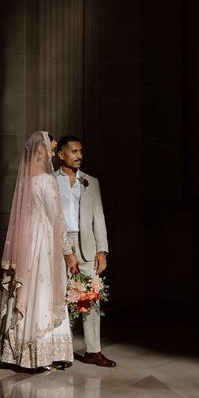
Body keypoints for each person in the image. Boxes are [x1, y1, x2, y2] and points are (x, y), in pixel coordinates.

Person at [0, 131, 74, 371]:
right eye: (50, 148)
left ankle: (18, 351)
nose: (52, 152)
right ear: (40, 150)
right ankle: (41, 352)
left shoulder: (25, 180)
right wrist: (67, 251)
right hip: (44, 243)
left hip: (27, 242)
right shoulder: (47, 180)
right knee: (45, 290)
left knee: (29, 289)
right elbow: (56, 219)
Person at [55, 136, 116, 367]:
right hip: (59, 243)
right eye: (73, 151)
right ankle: (61, 351)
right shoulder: (51, 181)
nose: (79, 155)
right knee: (61, 296)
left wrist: (102, 249)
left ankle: (93, 350)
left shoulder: (91, 182)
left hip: (87, 243)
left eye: (81, 151)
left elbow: (98, 218)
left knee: (90, 296)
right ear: (61, 154)